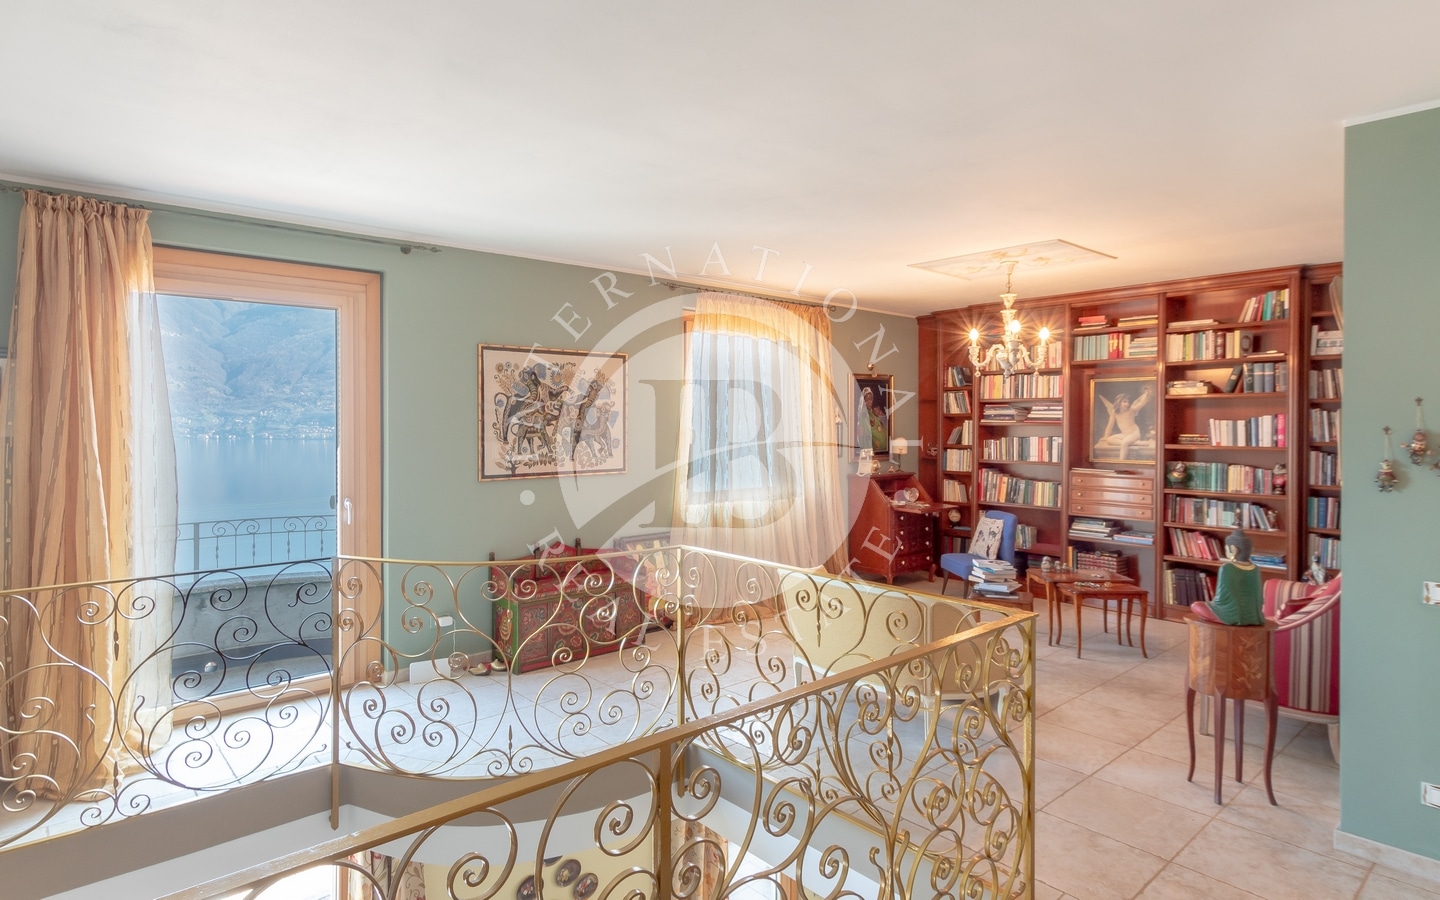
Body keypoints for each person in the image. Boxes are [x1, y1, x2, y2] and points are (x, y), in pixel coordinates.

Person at [1191, 528, 1265, 626]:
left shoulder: (1227, 568)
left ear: (1233, 550)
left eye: (1226, 549)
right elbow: (1259, 598)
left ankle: (1222, 620)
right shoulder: (1255, 569)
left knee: (1196, 605)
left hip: (1231, 615)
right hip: (1255, 616)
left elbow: (1221, 599)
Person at [1095, 385, 1153, 460]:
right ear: (1119, 402)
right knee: (1109, 440)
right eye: (1124, 402)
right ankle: (1134, 443)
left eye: (1128, 402)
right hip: (1124, 434)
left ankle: (1121, 461)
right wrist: (1106, 436)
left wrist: (1147, 394)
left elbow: (1141, 404)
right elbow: (1110, 425)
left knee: (1124, 443)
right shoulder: (1115, 412)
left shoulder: (1131, 410)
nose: (1127, 404)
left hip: (1134, 433)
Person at [858, 386, 889, 454]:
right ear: (863, 401)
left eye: (871, 399)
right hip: (871, 452)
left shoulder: (872, 413)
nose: (869, 402)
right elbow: (866, 433)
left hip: (881, 451)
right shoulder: (864, 415)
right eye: (866, 400)